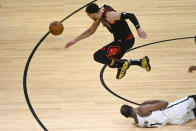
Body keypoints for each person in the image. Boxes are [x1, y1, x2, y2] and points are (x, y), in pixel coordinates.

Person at [65, 3, 151, 79]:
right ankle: (141, 62)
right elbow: (90, 31)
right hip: (120, 41)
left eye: (89, 16)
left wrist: (138, 29)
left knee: (98, 56)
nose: (89, 17)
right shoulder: (99, 16)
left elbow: (130, 15)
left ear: (93, 14)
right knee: (112, 61)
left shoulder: (109, 15)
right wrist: (75, 40)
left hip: (125, 41)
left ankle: (122, 65)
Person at [120, 95, 196, 128]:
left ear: (127, 117)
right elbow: (165, 103)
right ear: (131, 107)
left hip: (175, 121)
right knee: (193, 98)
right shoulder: (141, 110)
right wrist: (148, 102)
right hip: (173, 110)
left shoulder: (138, 123)